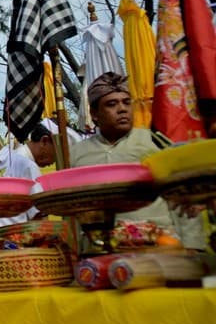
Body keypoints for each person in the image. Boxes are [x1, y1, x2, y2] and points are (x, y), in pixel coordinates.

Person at [70, 72, 206, 249]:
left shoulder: (154, 142)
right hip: (98, 247)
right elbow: (71, 208)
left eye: (127, 102)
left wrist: (194, 245)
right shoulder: (77, 153)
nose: (122, 109)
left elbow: (183, 196)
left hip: (158, 243)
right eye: (112, 104)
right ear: (94, 114)